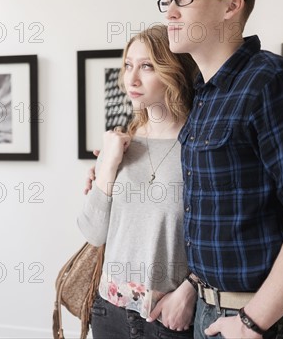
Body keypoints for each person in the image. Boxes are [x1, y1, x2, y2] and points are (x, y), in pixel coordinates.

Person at [159, 0, 283, 338]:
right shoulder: (204, 93)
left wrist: (252, 321)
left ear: (231, 5)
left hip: (268, 320)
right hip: (210, 311)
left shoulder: (273, 82)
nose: (170, 11)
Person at [78, 24, 199, 338]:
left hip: (169, 315)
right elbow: (93, 232)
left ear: (175, 71)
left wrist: (189, 290)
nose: (131, 79)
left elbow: (221, 231)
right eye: (128, 65)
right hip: (108, 310)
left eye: (147, 66)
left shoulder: (200, 145)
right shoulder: (120, 144)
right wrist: (108, 164)